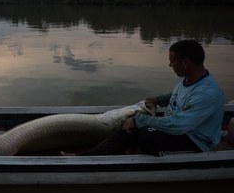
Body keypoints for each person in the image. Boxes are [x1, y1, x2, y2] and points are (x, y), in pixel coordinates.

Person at [61, 39, 225, 157]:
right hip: (179, 127)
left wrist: (141, 120)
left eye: (172, 62)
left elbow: (178, 127)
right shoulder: (188, 78)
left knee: (146, 134)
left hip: (195, 140)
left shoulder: (206, 94)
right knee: (130, 128)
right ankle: (87, 157)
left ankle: (148, 155)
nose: (170, 66)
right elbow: (175, 96)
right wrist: (158, 100)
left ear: (186, 63)